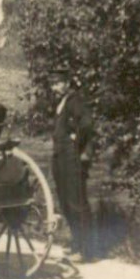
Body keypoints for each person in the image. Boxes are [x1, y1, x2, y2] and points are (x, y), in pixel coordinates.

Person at [49, 67, 96, 261]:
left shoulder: (75, 101)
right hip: (60, 157)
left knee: (77, 202)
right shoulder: (62, 103)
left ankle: (86, 250)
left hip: (72, 158)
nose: (55, 87)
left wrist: (76, 143)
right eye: (53, 83)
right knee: (66, 202)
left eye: (58, 83)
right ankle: (77, 244)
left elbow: (86, 124)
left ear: (67, 83)